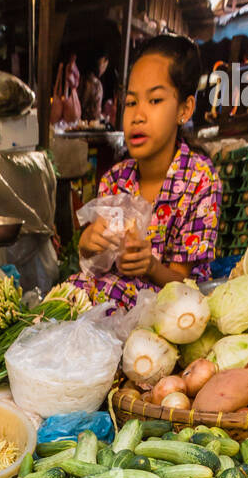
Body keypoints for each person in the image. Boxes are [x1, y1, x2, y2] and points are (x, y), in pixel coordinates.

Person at [72, 34, 222, 312]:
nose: (138, 115)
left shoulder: (199, 180)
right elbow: (96, 264)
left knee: (111, 292)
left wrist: (151, 266)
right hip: (114, 303)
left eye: (154, 101)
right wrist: (88, 244)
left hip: (173, 308)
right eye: (131, 103)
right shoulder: (115, 179)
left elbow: (183, 281)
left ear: (184, 109)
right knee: (71, 290)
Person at [80, 54, 109, 123]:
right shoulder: (96, 84)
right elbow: (96, 108)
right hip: (91, 122)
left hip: (81, 121)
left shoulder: (83, 79)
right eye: (104, 66)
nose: (104, 70)